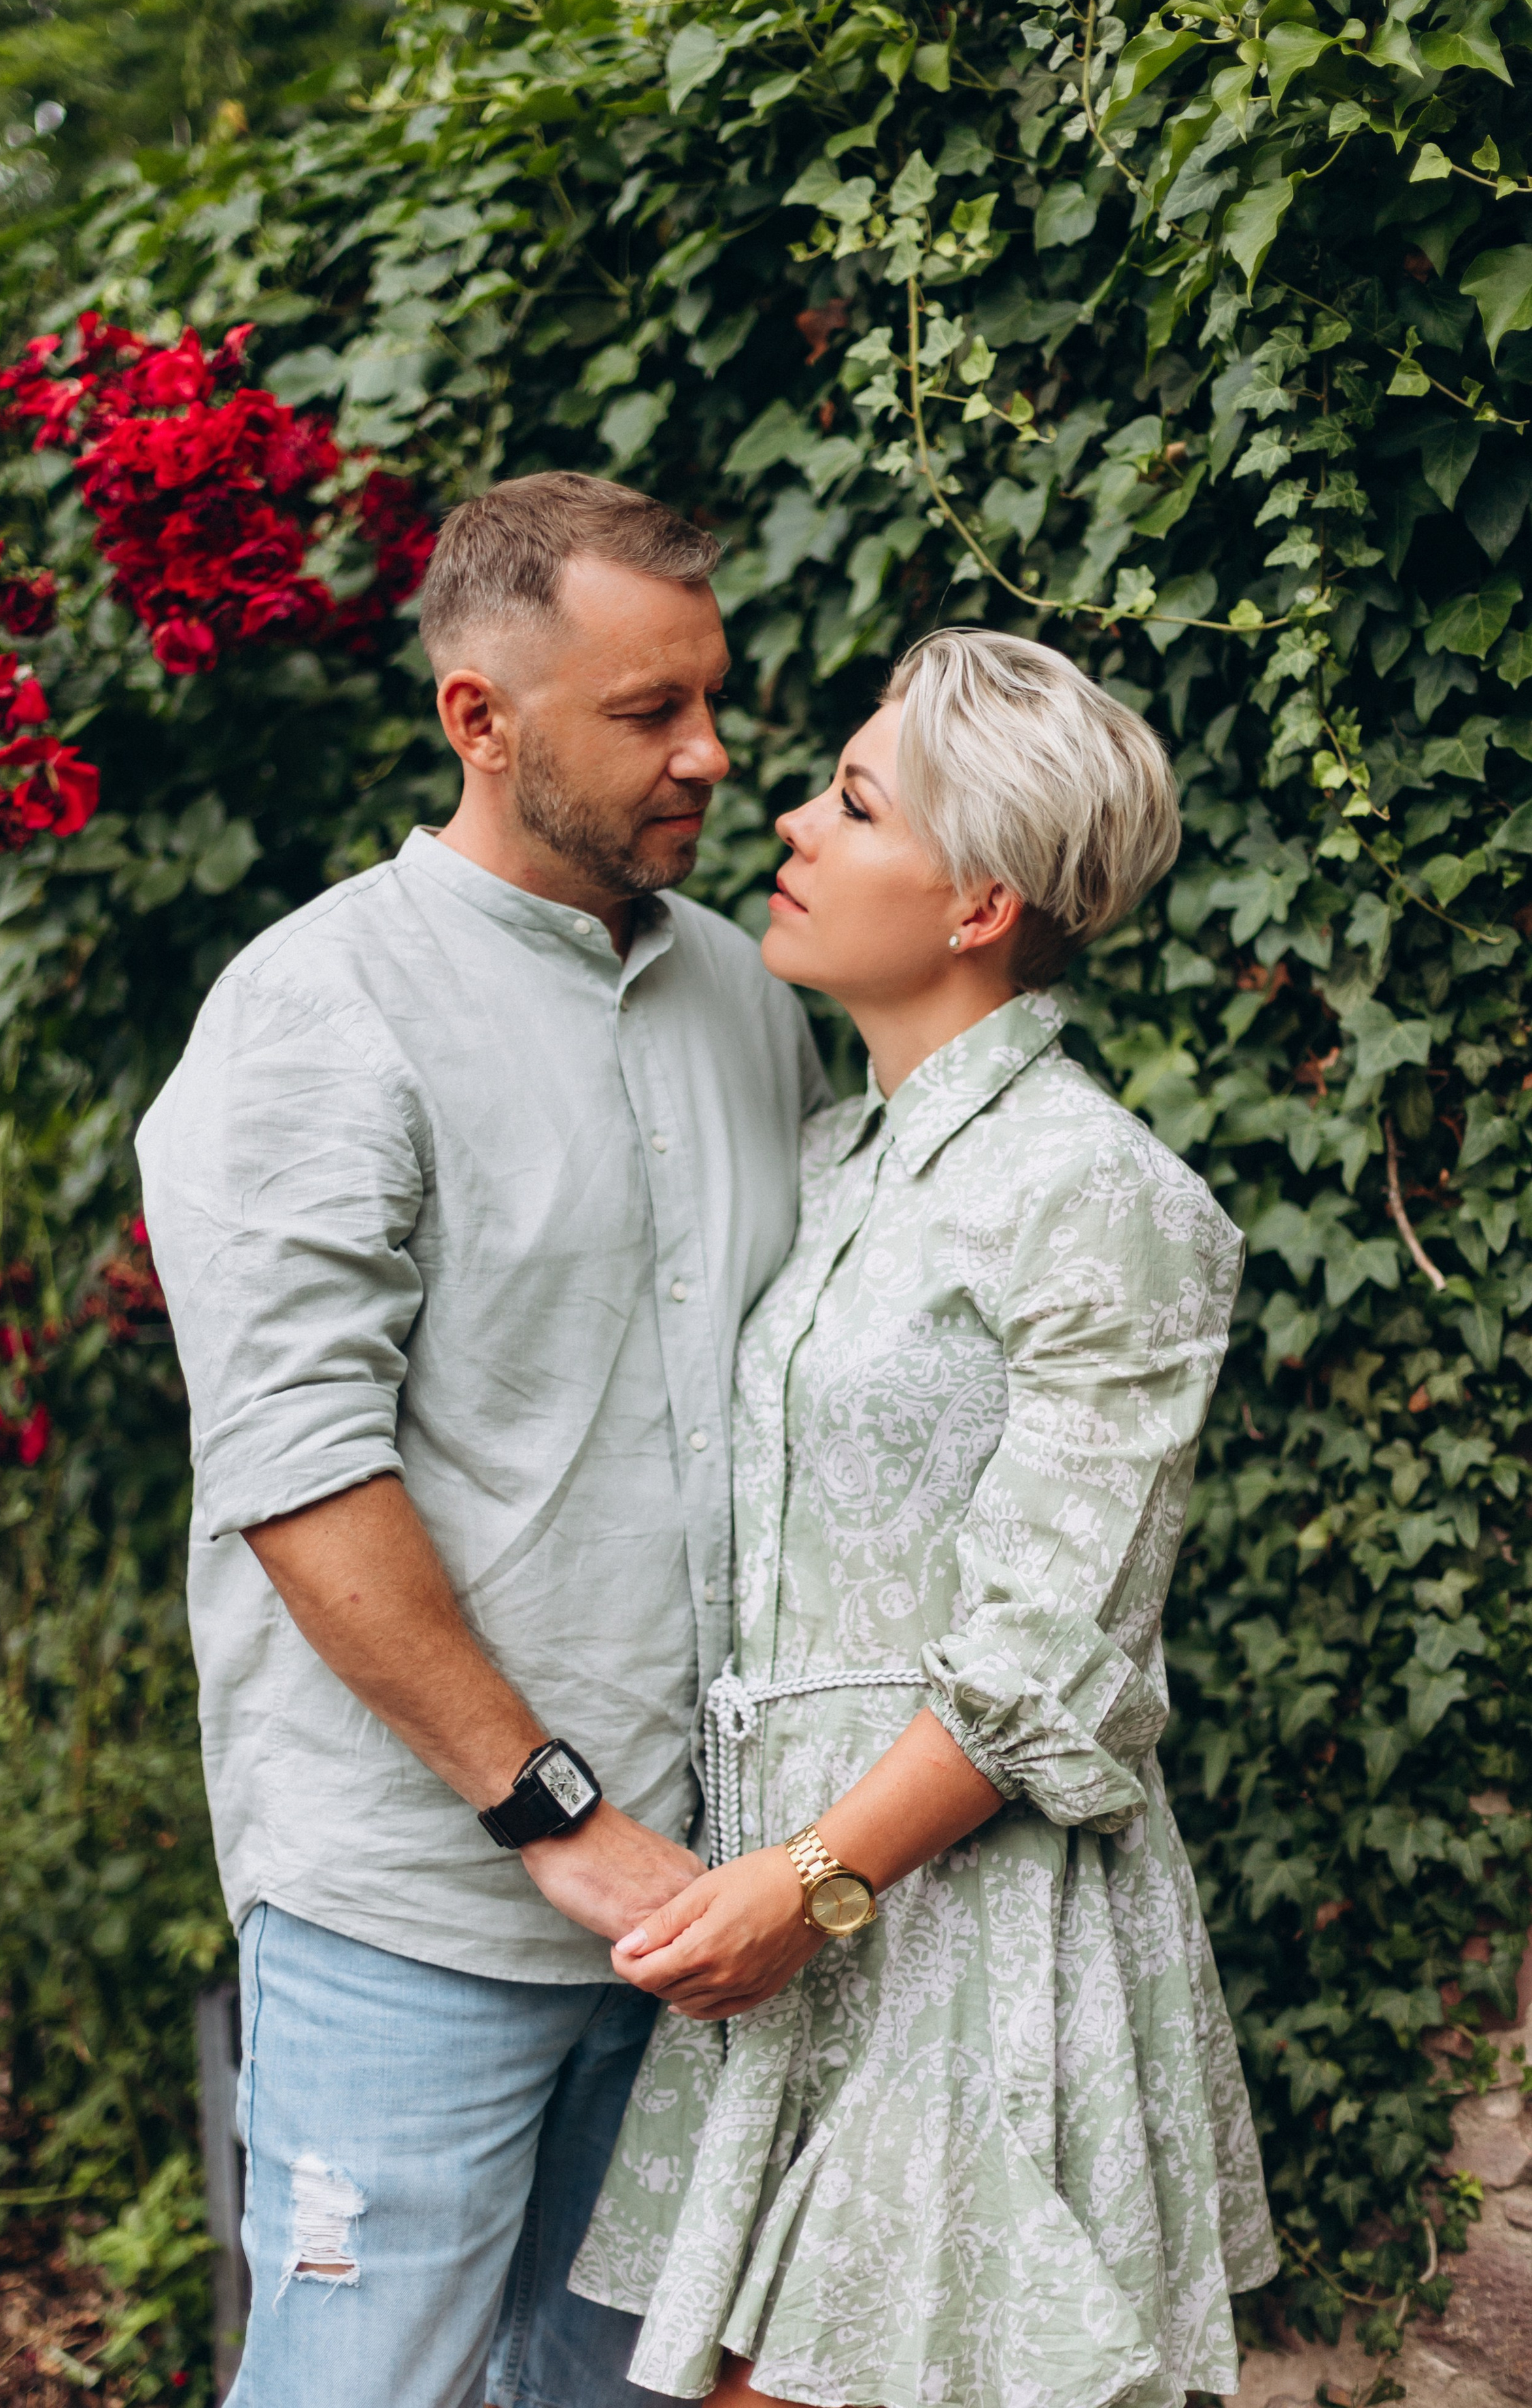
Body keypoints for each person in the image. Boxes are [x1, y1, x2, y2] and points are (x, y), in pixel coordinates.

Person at [135, 472, 827, 2408]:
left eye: (709, 696)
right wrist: (555, 1820)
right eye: (645, 715)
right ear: (478, 718)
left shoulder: (746, 999)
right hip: (416, 1912)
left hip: (699, 1913)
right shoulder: (317, 1012)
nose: (707, 752)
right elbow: (294, 1472)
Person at [571, 628, 1278, 2408]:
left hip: (968, 1940)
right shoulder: (828, 1169)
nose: (789, 821)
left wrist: (810, 1887)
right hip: (790, 1925)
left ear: (980, 902)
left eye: (856, 801)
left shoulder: (1108, 1198)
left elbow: (1054, 1650)